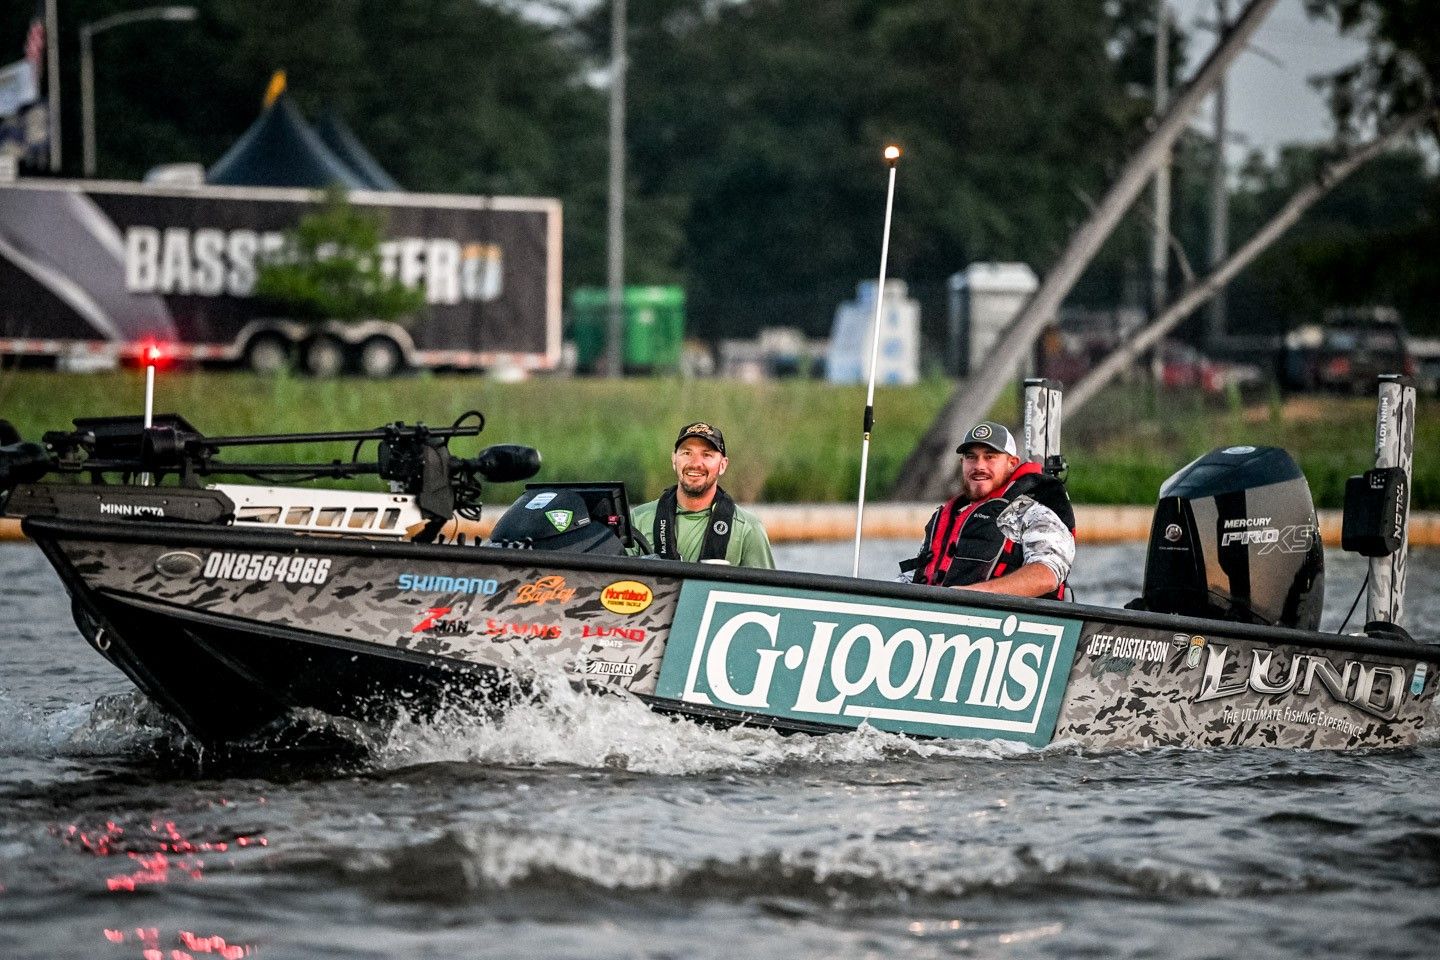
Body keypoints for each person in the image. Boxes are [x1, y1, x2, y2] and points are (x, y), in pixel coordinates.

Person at [901, 420, 1075, 598]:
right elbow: (911, 578)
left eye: (990, 456)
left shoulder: (1034, 513)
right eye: (971, 457)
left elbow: (1046, 575)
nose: (979, 466)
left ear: (1012, 463)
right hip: (938, 616)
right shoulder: (947, 516)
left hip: (1005, 620)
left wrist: (971, 595)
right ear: (962, 462)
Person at [630, 421, 775, 568]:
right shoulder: (637, 520)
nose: (695, 463)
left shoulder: (748, 529)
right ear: (674, 460)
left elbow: (766, 590)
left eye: (707, 455)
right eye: (687, 453)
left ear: (723, 465)